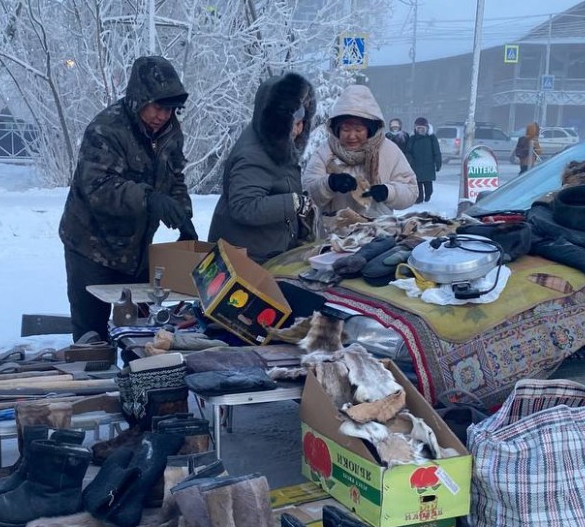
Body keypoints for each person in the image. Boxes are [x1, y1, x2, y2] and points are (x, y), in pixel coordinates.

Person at [59, 55, 195, 342]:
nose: (163, 115)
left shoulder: (170, 132)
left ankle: (141, 381)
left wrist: (184, 216)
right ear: (139, 99)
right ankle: (95, 380)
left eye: (170, 109)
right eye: (157, 106)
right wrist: (150, 198)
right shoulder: (106, 129)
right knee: (91, 336)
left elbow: (175, 177)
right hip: (91, 245)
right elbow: (99, 187)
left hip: (137, 249)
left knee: (144, 333)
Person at [208, 72, 316, 263]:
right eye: (296, 123)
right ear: (278, 118)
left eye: (303, 123)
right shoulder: (254, 153)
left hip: (263, 250)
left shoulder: (275, 142)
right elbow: (244, 206)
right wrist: (293, 203)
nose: (299, 130)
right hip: (247, 259)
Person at [303, 84, 418, 223]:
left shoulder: (388, 150)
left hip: (378, 236)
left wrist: (389, 192)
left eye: (358, 130)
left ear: (370, 130)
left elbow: (411, 190)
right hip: (334, 236)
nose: (352, 136)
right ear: (336, 129)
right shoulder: (325, 151)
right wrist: (329, 183)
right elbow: (306, 194)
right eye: (345, 129)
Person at [403, 116, 442, 204]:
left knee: (428, 185)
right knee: (418, 184)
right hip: (416, 165)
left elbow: (437, 151)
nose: (420, 130)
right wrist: (409, 160)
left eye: (422, 128)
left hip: (428, 165)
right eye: (418, 128)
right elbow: (408, 151)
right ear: (415, 128)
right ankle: (419, 198)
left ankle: (428, 195)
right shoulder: (412, 138)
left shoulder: (431, 138)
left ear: (426, 128)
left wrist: (438, 163)